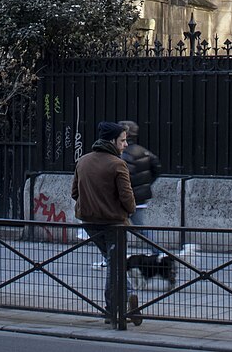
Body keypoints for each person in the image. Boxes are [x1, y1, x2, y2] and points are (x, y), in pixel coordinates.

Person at [70, 121, 142, 326]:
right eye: (123, 140)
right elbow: (127, 198)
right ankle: (114, 309)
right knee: (114, 264)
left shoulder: (82, 161)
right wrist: (130, 211)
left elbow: (74, 193)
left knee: (113, 262)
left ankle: (126, 297)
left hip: (89, 222)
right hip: (114, 223)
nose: (126, 145)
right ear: (112, 141)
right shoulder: (118, 164)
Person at [120, 118, 175, 283]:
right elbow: (157, 167)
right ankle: (158, 254)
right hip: (141, 196)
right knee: (140, 228)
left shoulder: (124, 154)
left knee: (119, 227)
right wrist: (145, 184)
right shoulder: (144, 152)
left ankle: (118, 257)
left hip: (127, 198)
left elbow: (122, 177)